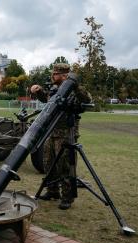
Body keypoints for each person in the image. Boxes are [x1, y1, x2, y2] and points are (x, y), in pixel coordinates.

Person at [30, 63, 91, 210]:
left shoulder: (73, 89)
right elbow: (47, 100)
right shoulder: (54, 88)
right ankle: (52, 191)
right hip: (51, 132)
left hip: (66, 133)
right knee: (48, 163)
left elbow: (87, 99)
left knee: (65, 166)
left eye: (55, 74)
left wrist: (76, 87)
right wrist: (38, 91)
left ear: (64, 75)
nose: (52, 76)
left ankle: (67, 196)